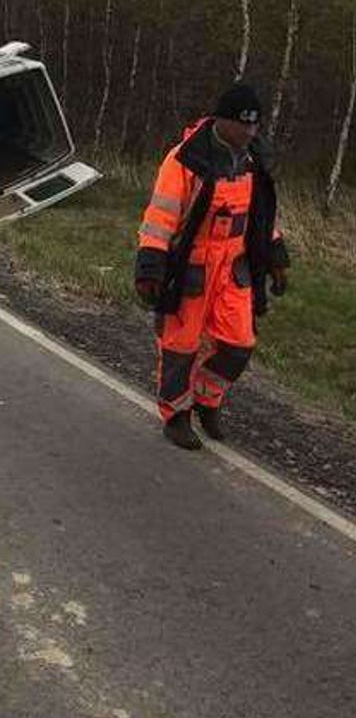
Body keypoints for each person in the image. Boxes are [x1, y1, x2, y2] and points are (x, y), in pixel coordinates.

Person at [135, 83, 290, 450]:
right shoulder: (186, 159)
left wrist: (275, 257)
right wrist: (150, 267)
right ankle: (176, 414)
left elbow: (262, 216)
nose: (250, 132)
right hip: (193, 265)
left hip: (233, 265)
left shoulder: (253, 160)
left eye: (254, 126)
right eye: (243, 125)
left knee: (239, 343)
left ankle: (207, 400)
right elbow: (160, 217)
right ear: (222, 120)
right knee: (180, 347)